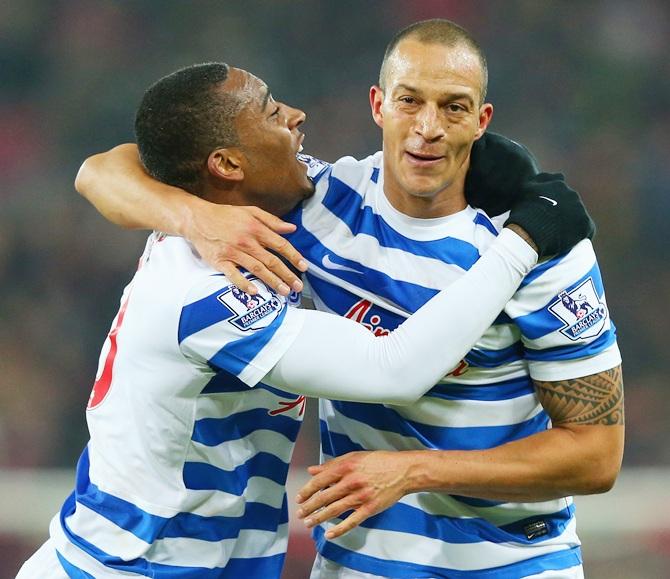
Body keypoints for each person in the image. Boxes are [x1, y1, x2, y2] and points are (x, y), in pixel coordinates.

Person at [74, 19, 623, 579]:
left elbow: (595, 456)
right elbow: (102, 168)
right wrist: (196, 216)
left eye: (453, 107)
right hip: (359, 561)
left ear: (481, 120)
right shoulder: (315, 206)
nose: (428, 127)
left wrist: (416, 471)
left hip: (513, 562)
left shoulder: (541, 243)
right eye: (410, 101)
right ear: (378, 105)